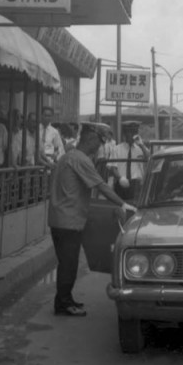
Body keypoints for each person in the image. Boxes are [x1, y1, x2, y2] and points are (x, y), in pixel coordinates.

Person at [48, 122, 135, 317]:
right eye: (99, 142)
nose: (99, 147)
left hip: (60, 218)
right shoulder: (81, 159)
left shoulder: (68, 156)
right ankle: (62, 304)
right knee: (68, 264)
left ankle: (65, 298)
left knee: (67, 262)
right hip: (68, 220)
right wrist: (123, 204)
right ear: (91, 138)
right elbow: (101, 185)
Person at [111, 121, 151, 202]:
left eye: (135, 132)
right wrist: (120, 178)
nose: (133, 135)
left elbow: (149, 158)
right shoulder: (117, 149)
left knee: (136, 207)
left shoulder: (140, 148)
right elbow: (113, 167)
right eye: (130, 132)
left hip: (136, 184)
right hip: (121, 182)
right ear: (125, 134)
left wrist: (141, 144)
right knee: (120, 206)